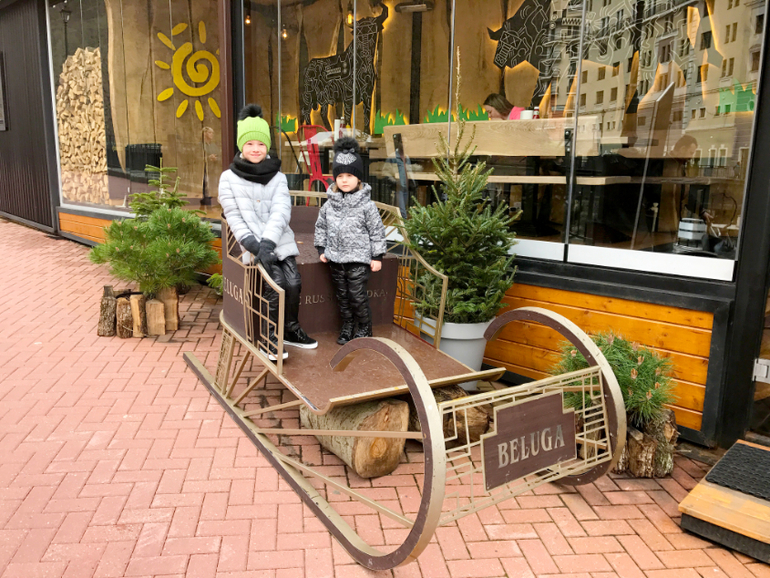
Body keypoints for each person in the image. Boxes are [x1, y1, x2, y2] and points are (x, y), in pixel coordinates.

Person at [218, 104, 317, 359]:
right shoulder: (228, 178)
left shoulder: (278, 176)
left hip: (278, 240)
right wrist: (254, 245)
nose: (255, 149)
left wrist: (269, 243)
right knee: (276, 284)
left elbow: (281, 211)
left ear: (267, 146)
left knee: (293, 282)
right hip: (252, 244)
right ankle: (268, 337)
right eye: (250, 143)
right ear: (241, 146)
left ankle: (290, 330)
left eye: (261, 144)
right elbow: (233, 215)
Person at [314, 137, 387, 344]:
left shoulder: (367, 206)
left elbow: (377, 231)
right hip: (336, 259)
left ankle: (364, 326)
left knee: (357, 295)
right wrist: (321, 248)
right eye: (340, 176)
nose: (344, 180)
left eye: (350, 175)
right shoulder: (329, 205)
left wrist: (377, 256)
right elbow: (321, 226)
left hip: (358, 259)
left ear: (358, 178)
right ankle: (347, 326)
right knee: (343, 297)